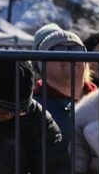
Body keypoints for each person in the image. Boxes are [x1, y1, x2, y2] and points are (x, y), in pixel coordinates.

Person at [31, 25, 94, 155]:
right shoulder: (32, 109)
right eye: (58, 50)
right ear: (43, 64)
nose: (69, 54)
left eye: (76, 49)